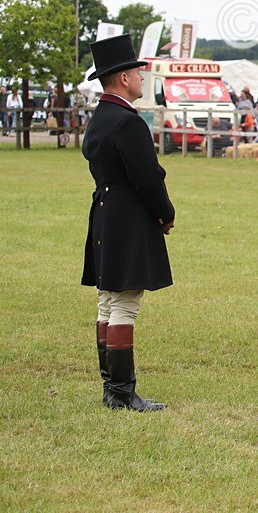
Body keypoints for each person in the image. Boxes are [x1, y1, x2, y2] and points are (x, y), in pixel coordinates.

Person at [81, 34, 175, 412]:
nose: (141, 77)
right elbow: (148, 178)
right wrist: (165, 214)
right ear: (123, 78)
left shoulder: (100, 118)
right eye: (137, 72)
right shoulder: (127, 122)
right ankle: (122, 392)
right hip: (127, 217)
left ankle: (112, 388)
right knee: (124, 304)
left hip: (105, 214)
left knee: (108, 302)